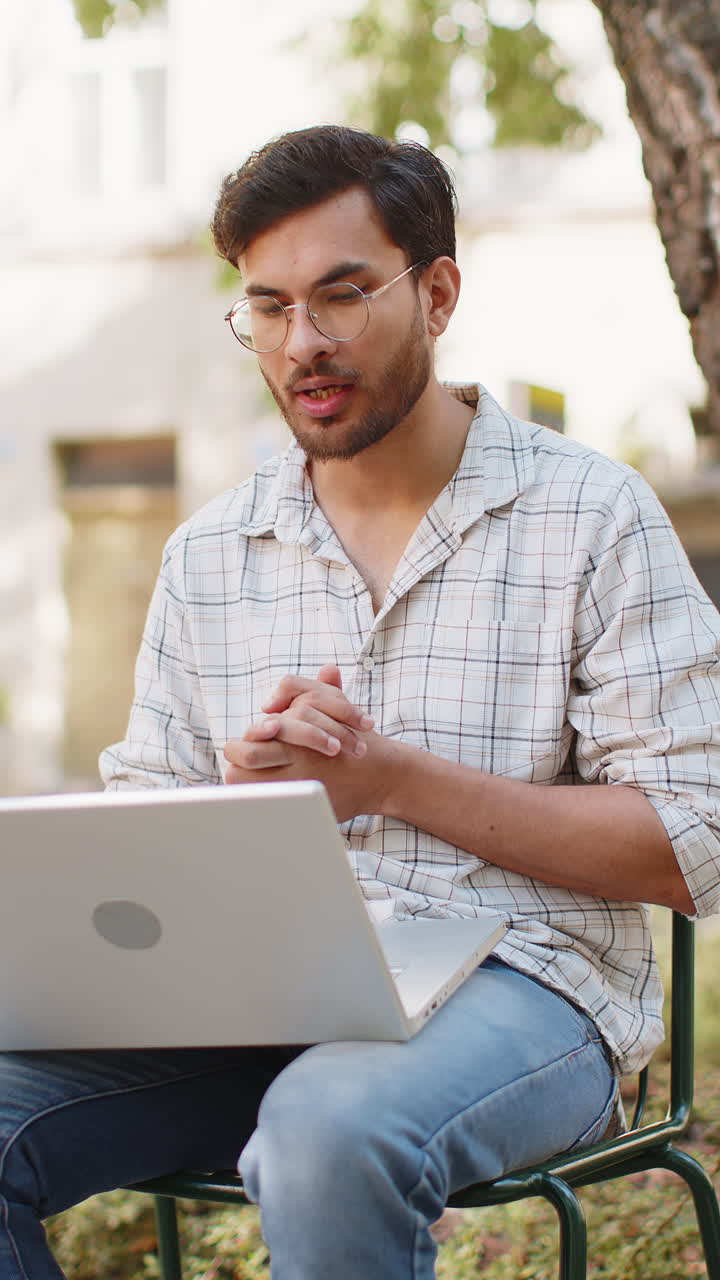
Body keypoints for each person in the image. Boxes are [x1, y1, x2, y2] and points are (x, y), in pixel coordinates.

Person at [2, 124, 719, 1280]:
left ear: (436, 293)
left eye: (341, 296)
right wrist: (234, 810)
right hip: (258, 998)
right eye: (269, 307)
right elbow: (139, 847)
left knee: (328, 1132)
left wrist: (389, 780)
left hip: (531, 988)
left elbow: (693, 844)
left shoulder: (593, 517)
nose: (304, 344)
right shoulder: (210, 554)